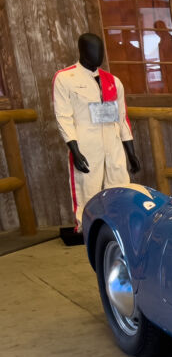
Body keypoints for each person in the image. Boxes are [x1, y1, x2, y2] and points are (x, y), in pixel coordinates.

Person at [52, 33, 140, 235]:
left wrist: (130, 152)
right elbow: (63, 116)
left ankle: (119, 226)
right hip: (86, 141)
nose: (98, 54)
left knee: (120, 184)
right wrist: (74, 148)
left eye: (100, 49)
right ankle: (86, 228)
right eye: (93, 49)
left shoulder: (112, 81)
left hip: (113, 141)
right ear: (82, 50)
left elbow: (122, 118)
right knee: (87, 187)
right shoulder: (66, 78)